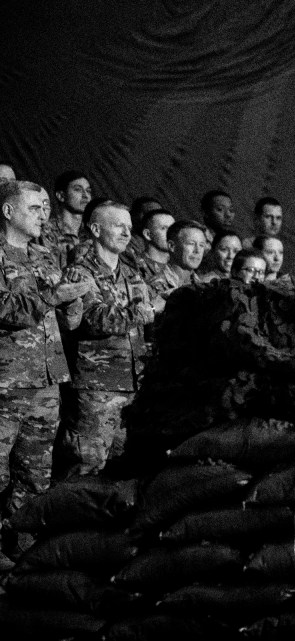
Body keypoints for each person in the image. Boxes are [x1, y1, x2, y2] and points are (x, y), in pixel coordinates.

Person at [0, 181, 90, 566]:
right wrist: (57, 297)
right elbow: (7, 311)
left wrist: (76, 306)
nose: (43, 215)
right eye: (35, 208)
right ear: (8, 212)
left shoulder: (45, 255)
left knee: (34, 475)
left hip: (47, 379)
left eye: (44, 208)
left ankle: (18, 549)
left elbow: (64, 321)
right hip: (7, 381)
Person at [59, 201, 155, 479]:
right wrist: (146, 311)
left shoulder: (132, 274)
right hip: (97, 388)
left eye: (129, 227)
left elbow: (148, 328)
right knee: (87, 465)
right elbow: (94, 319)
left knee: (122, 470)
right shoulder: (80, 272)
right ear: (96, 229)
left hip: (134, 386)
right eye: (118, 226)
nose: (127, 233)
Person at [149, 220, 208, 297]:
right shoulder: (154, 285)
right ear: (172, 246)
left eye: (201, 245)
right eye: (191, 244)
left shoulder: (205, 289)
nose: (197, 251)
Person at [47, 170, 92, 268]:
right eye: (78, 189)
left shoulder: (92, 233)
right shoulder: (46, 231)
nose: (85, 195)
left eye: (88, 191)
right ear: (61, 196)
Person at [134, 209, 175, 287]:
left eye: (173, 229)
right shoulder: (136, 267)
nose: (171, 233)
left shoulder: (179, 266)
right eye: (163, 228)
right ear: (148, 234)